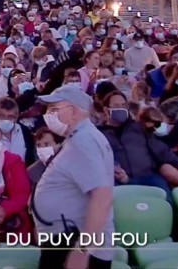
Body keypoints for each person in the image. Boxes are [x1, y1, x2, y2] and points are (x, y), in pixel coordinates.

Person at [32, 84, 114, 269]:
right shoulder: (79, 138)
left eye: (54, 109)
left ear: (74, 111)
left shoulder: (84, 141)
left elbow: (102, 197)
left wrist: (82, 250)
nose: (48, 114)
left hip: (73, 242)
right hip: (64, 238)